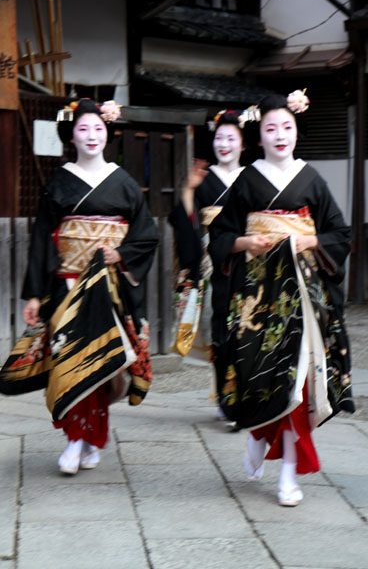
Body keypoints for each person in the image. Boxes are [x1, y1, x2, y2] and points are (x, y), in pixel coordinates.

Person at [208, 90, 355, 506]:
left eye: (286, 127)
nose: (279, 135)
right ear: (259, 136)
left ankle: (289, 471)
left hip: (303, 296)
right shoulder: (247, 180)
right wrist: (243, 242)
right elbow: (219, 236)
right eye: (270, 128)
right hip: (258, 295)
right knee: (260, 373)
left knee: (299, 382)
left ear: (296, 131)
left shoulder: (311, 179)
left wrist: (309, 238)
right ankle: (258, 435)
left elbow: (340, 234)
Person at [0, 98, 159, 474]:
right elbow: (42, 239)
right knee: (69, 362)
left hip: (109, 288)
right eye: (84, 129)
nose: (92, 135)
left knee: (100, 364)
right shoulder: (58, 181)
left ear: (108, 134)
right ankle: (76, 439)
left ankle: (87, 439)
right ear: (71, 135)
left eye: (98, 129)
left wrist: (120, 255)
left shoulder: (124, 182)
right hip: (67, 286)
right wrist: (35, 293)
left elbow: (146, 235)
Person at [169, 110, 247, 423]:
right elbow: (185, 224)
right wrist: (188, 191)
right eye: (219, 138)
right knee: (221, 329)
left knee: (248, 327)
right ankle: (225, 397)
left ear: (243, 143)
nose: (224, 144)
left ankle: (245, 394)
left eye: (231, 138)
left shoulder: (253, 176)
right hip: (215, 263)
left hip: (248, 259)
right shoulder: (203, 180)